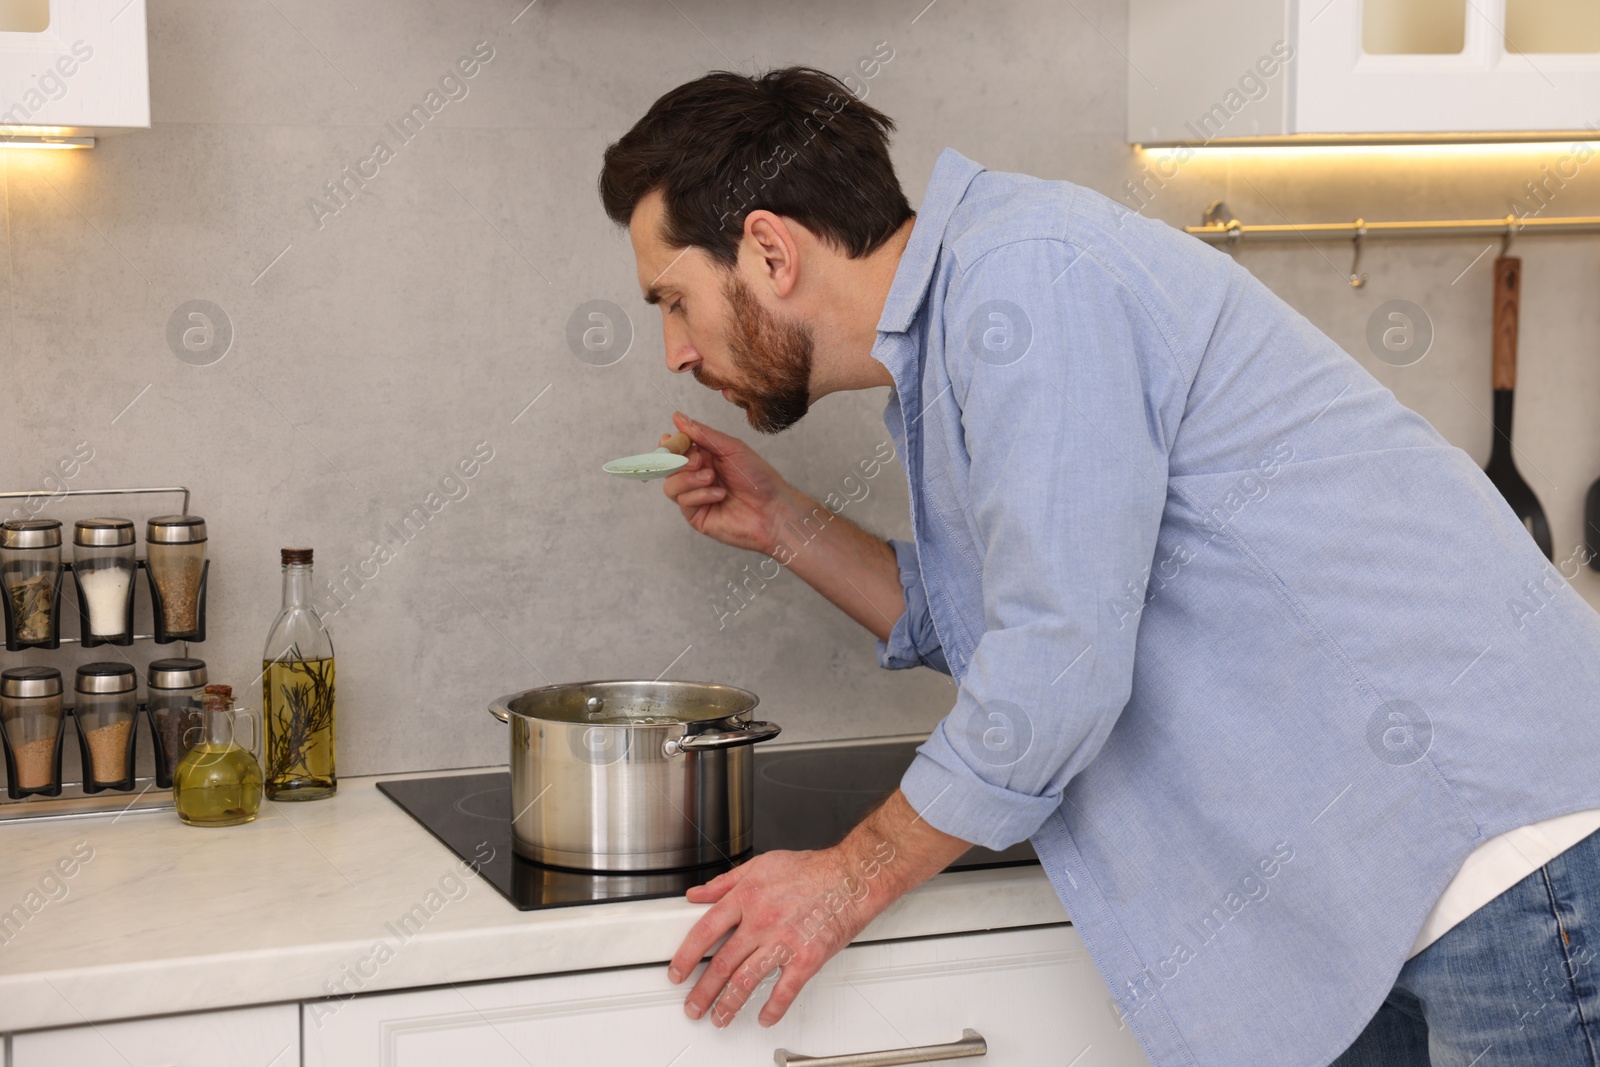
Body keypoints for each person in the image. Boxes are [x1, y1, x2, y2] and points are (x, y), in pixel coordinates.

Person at [597, 67, 1600, 1067]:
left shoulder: (1029, 281)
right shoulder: (961, 324)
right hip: (1390, 871)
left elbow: (1057, 662)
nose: (675, 350)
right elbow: (1006, 622)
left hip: (1493, 839)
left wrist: (844, 879)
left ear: (769, 249)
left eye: (674, 299)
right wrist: (781, 521)